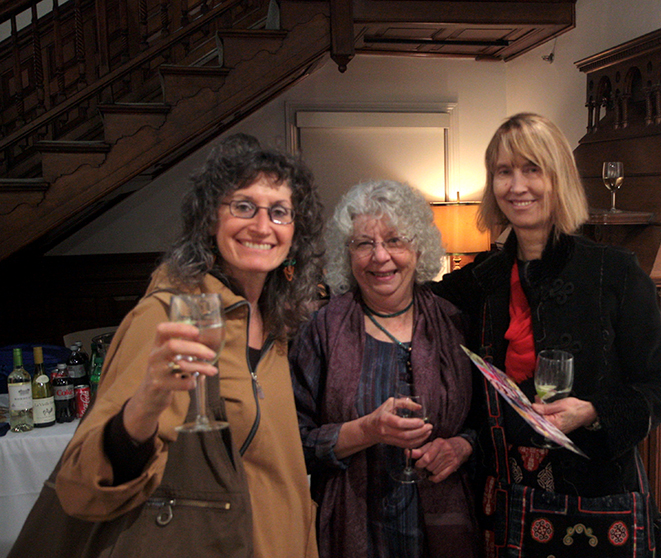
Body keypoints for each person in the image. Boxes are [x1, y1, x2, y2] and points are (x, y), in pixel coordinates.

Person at [54, 133, 322, 557]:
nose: (262, 226)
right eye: (243, 206)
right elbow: (81, 487)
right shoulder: (169, 316)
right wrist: (144, 405)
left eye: (279, 212)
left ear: (295, 231)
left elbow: (279, 474)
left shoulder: (274, 323)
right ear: (209, 219)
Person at [432, 113, 661, 557]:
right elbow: (411, 301)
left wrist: (592, 410)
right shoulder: (481, 280)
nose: (517, 186)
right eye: (504, 172)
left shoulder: (614, 272)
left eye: (532, 169)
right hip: (506, 506)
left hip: (597, 506)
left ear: (558, 177)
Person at [289, 179, 479, 558]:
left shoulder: (454, 323)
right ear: (347, 253)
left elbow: (486, 422)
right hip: (350, 527)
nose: (380, 256)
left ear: (418, 248)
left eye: (395, 240)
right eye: (364, 243)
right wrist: (366, 431)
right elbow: (292, 442)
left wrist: (462, 446)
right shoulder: (322, 330)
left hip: (445, 527)